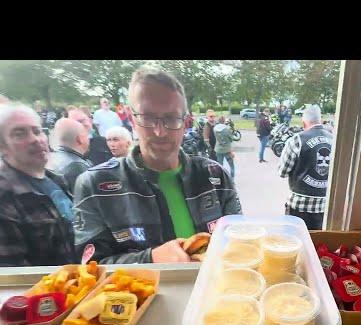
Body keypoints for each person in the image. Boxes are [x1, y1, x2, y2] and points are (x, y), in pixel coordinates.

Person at [72, 65, 242, 264]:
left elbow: (239, 244)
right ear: (131, 118)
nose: (160, 132)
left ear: (186, 122)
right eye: (148, 118)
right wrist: (150, 259)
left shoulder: (215, 175)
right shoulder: (94, 185)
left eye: (171, 118)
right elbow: (90, 267)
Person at [0, 103, 76, 267]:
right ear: (0, 147)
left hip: (85, 281)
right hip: (48, 290)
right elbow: (14, 273)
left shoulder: (56, 180)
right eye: (20, 134)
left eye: (37, 131)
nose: (35, 139)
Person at [278, 104, 333, 230]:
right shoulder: (334, 139)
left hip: (299, 206)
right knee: (317, 245)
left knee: (294, 241)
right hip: (324, 205)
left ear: (304, 121)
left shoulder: (297, 140)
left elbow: (282, 172)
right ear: (320, 119)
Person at [47, 118, 92, 194]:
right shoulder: (77, 166)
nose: (89, 139)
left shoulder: (50, 159)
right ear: (79, 139)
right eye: (87, 136)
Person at [213, 115, 235, 180]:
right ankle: (232, 180)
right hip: (227, 149)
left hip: (218, 149)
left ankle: (221, 179)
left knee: (220, 165)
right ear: (224, 121)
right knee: (231, 165)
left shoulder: (215, 128)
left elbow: (215, 138)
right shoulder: (227, 129)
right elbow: (231, 139)